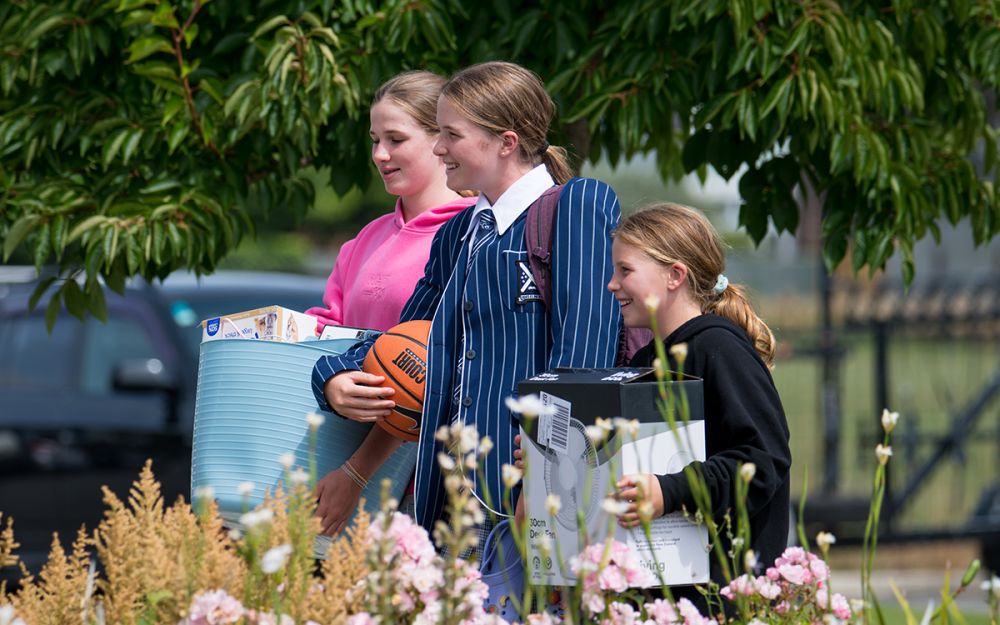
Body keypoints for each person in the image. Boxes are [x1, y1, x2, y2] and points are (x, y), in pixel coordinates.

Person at [312, 61, 623, 553]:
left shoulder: (576, 204)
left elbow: (585, 350)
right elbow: (406, 334)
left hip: (537, 499)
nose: (439, 148)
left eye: (451, 135)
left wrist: (549, 482)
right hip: (450, 503)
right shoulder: (460, 233)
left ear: (506, 141)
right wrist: (333, 377)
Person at [307, 70, 476, 535]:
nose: (380, 154)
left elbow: (418, 380)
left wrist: (358, 473)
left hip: (421, 485)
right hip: (337, 465)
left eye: (396, 139)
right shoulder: (363, 240)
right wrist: (332, 379)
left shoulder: (470, 235)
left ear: (441, 140)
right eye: (374, 139)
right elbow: (324, 337)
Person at [606, 202, 791, 604]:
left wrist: (669, 492)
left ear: (675, 275)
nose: (612, 284)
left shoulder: (719, 348)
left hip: (722, 598)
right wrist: (554, 461)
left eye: (625, 270)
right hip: (660, 597)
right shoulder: (643, 363)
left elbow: (762, 462)